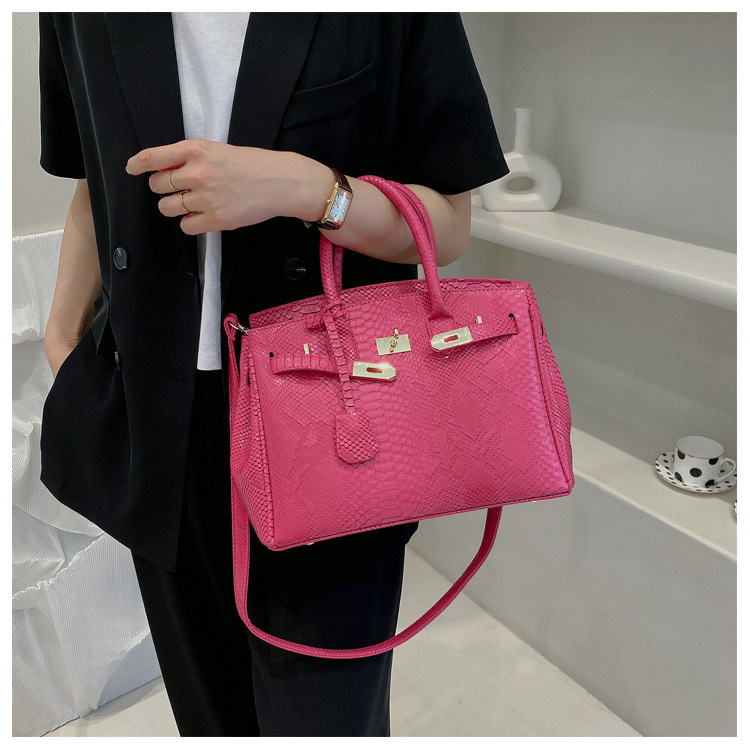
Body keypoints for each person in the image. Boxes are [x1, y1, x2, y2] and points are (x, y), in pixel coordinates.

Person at [38, 12, 509, 737]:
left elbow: (445, 224)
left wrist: (309, 189)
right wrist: (62, 336)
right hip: (157, 422)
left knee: (325, 718)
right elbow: (93, 181)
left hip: (333, 415)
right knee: (208, 713)